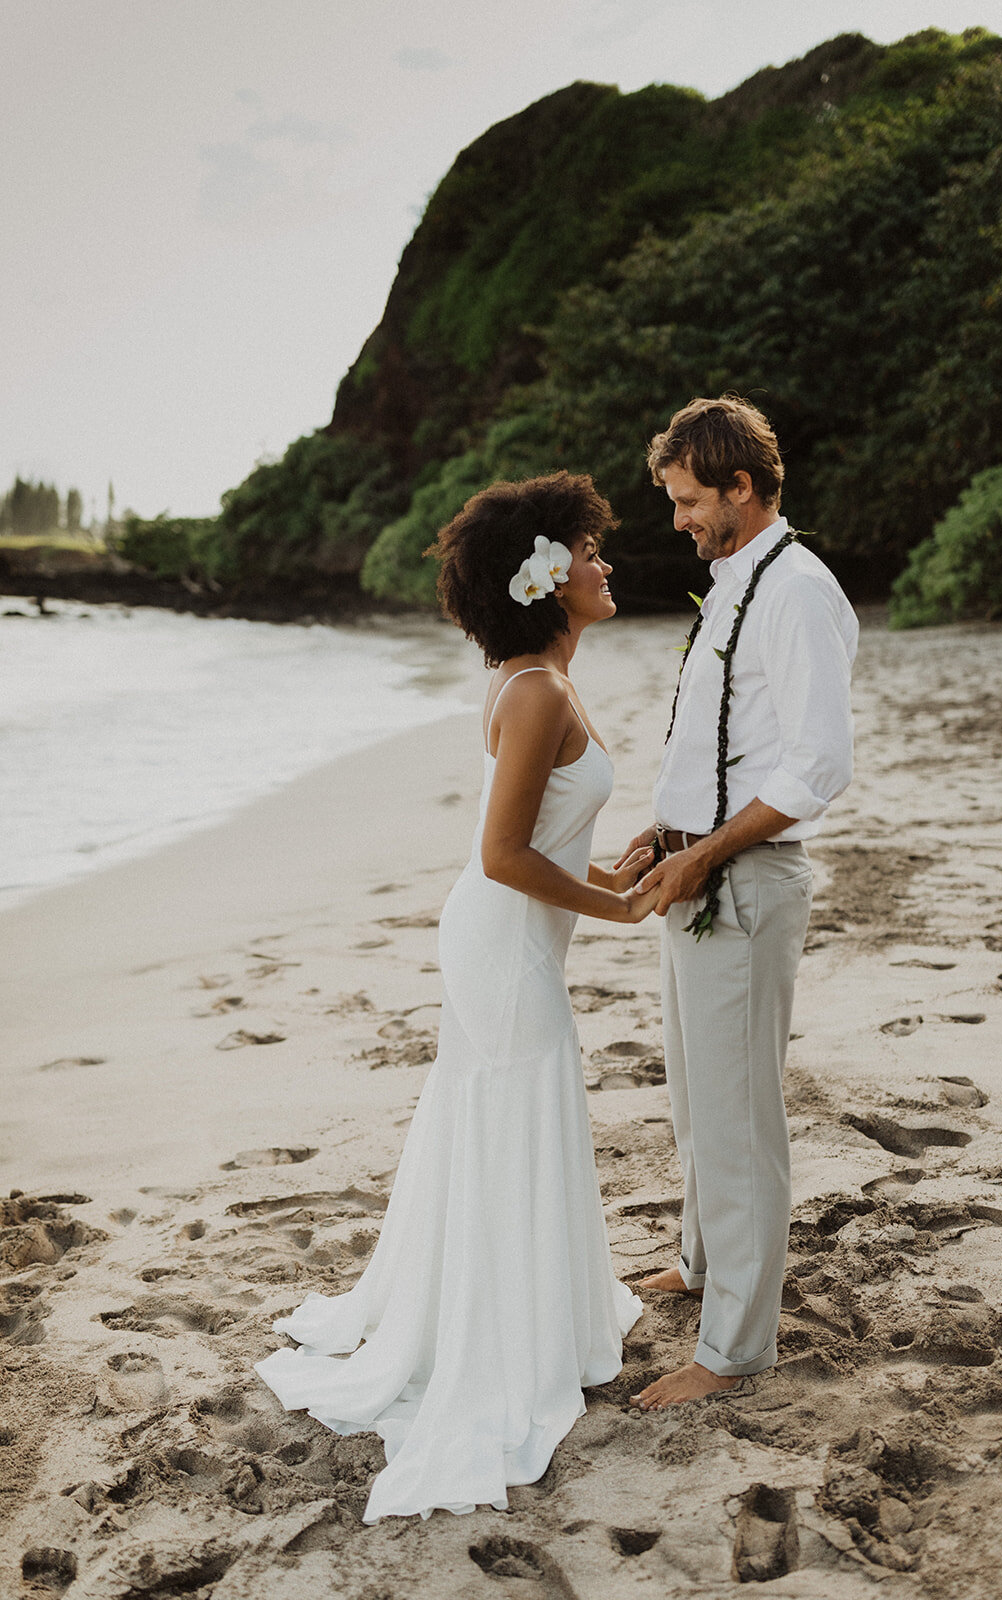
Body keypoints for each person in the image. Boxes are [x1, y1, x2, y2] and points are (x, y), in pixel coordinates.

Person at [256, 471, 657, 1521]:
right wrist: (612, 912)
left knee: (509, 1116)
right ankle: (502, 1339)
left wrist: (617, 875)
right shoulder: (532, 690)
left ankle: (527, 1314)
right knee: (513, 1114)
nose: (603, 562)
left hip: (513, 933)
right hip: (501, 941)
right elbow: (500, 853)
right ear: (546, 577)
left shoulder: (542, 679)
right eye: (586, 549)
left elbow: (548, 840)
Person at [622, 396, 858, 1411]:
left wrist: (707, 851)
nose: (676, 519)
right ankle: (700, 1262)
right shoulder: (730, 584)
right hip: (694, 869)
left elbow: (815, 765)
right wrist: (662, 831)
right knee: (691, 1098)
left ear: (741, 487)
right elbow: (717, 741)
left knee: (739, 1118)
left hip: (746, 883)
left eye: (686, 500)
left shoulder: (796, 591)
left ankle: (732, 1350)